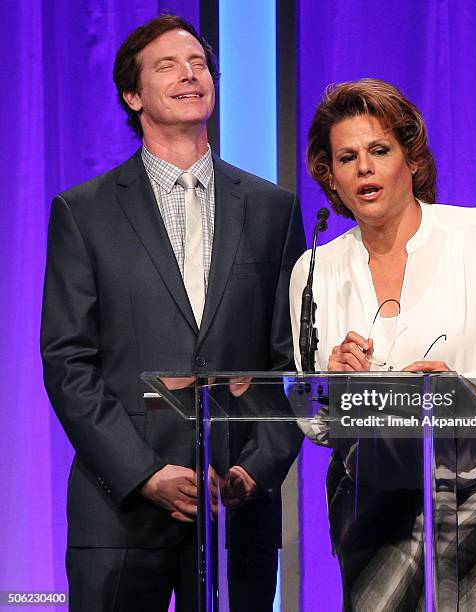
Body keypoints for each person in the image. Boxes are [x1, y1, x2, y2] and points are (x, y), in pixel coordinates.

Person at [41, 14, 305, 612]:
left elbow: (290, 361)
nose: (191, 74)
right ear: (133, 96)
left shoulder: (271, 208)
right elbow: (67, 361)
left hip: (237, 504)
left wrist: (257, 471)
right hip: (121, 511)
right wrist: (144, 474)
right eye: (168, 66)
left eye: (199, 64)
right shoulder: (83, 212)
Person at [290, 78, 476, 611]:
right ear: (332, 179)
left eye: (379, 150)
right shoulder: (315, 269)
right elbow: (311, 415)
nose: (363, 168)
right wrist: (334, 384)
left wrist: (463, 389)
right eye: (346, 158)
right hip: (372, 506)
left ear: (411, 160)